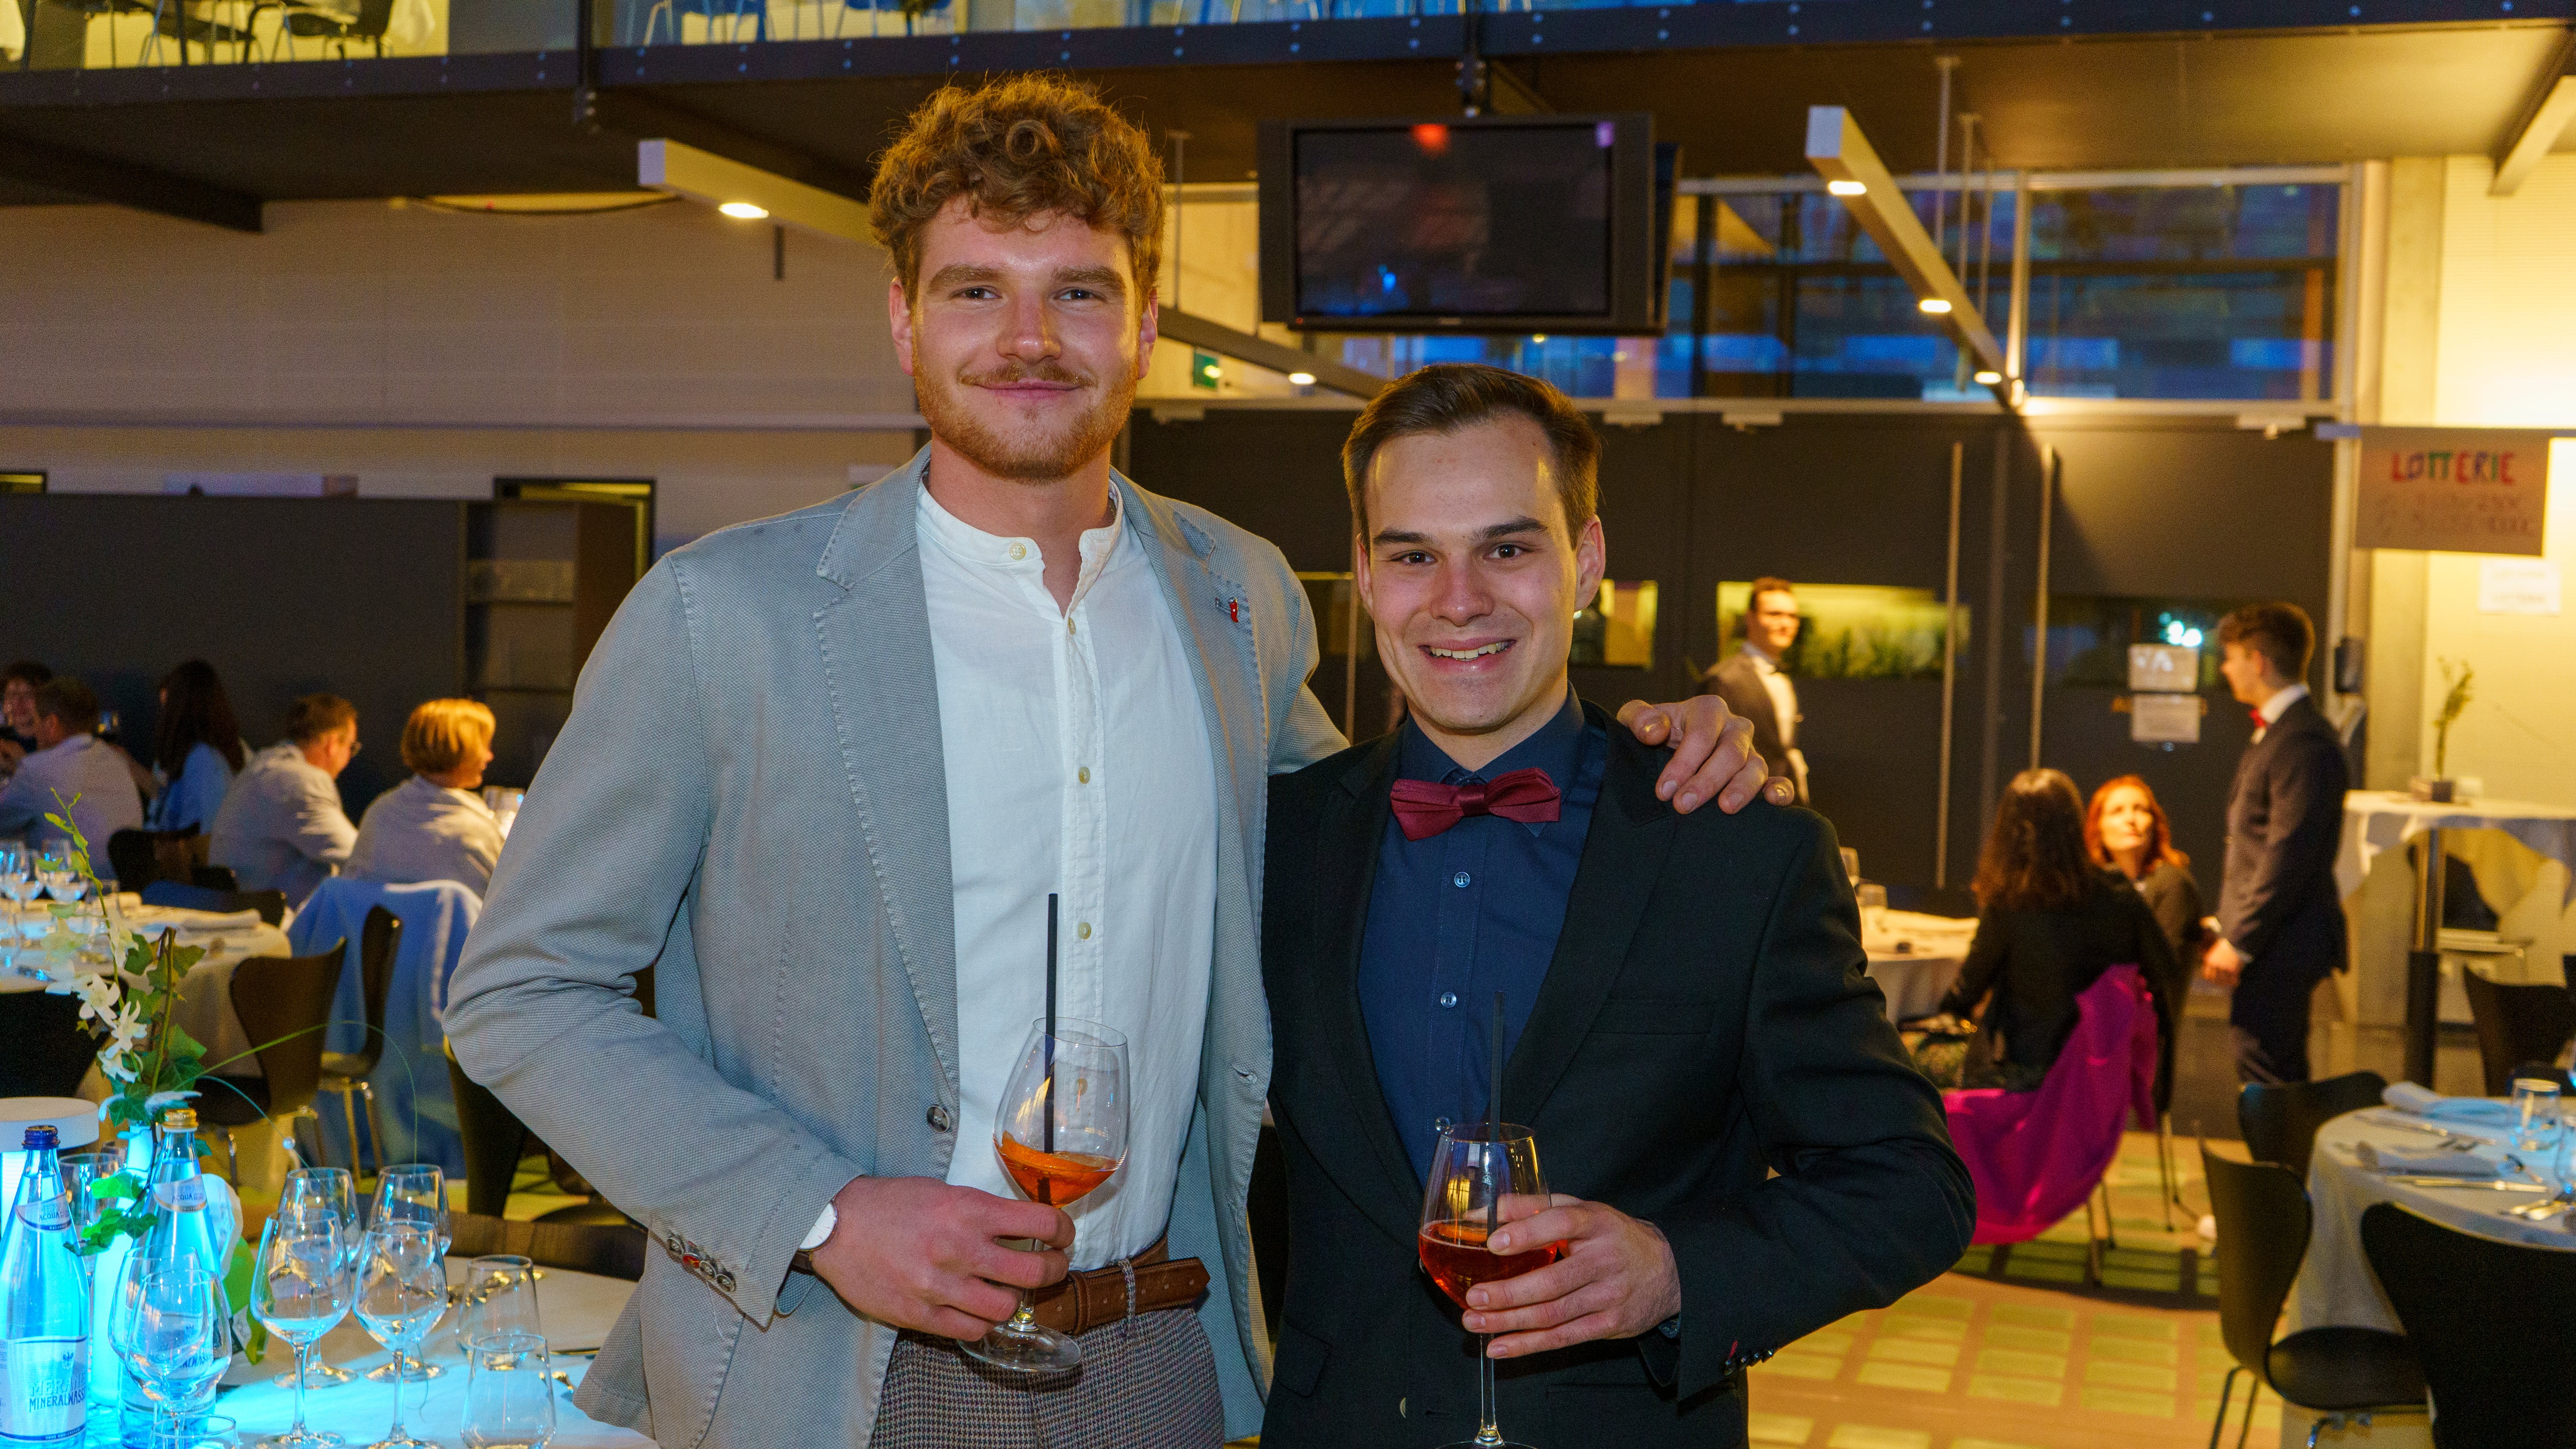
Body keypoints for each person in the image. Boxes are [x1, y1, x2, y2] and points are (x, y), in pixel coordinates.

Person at [441, 76, 1782, 1449]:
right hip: (837, 1368)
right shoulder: (722, 616)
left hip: (1157, 1355)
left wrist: (1638, 748)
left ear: (1144, 326)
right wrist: (823, 1214)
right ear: (903, 319)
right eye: (976, 291)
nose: (1029, 339)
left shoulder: (1238, 596)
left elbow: (1386, 834)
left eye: (1077, 292)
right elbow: (522, 993)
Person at [1258, 365, 1971, 1446]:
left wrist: (1677, 1270)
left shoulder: (1736, 848)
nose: (1459, 598)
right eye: (1412, 555)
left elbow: (1912, 1185)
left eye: (1507, 548)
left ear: (1586, 560)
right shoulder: (1280, 839)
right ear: (1363, 573)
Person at [1923, 770, 2176, 1093]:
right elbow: (2164, 969)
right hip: (2105, 1074)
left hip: (2025, 1076)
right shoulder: (2118, 892)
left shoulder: (2011, 901)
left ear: (2008, 833)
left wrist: (1940, 1016)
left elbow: (1969, 987)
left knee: (1920, 1059)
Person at [2201, 601, 2348, 1084]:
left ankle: (2283, 1141)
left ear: (2258, 661)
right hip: (2273, 935)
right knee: (2262, 1066)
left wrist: (2240, 941)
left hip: (2281, 940)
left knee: (2269, 1075)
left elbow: (2288, 854)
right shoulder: (2283, 733)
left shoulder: (2304, 741)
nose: (2225, 670)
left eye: (2231, 658)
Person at [2085, 774, 2202, 1109]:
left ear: (2155, 823)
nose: (2131, 819)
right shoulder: (2090, 886)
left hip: (2138, 1031)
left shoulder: (2171, 883)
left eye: (2140, 809)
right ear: (2098, 827)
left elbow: (2160, 972)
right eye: (2118, 811)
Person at [208, 693, 360, 906]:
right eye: (352, 748)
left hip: (231, 906)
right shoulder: (302, 781)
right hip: (269, 919)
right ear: (332, 744)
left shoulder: (260, 766)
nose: (349, 759)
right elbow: (361, 857)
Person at [346, 698, 504, 896]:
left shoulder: (380, 812)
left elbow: (350, 892)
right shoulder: (476, 832)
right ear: (461, 748)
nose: (490, 756)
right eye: (485, 745)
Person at [0, 677, 144, 851]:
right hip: (123, 867)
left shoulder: (36, 768)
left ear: (51, 724)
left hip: (67, 868)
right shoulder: (117, 760)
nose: (36, 732)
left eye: (37, 722)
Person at [1701, 576, 1809, 803]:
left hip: (1784, 798)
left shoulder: (1783, 675)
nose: (1786, 623)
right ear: (1750, 618)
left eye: (1792, 616)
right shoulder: (1724, 679)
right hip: (1744, 801)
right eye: (1774, 614)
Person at [144, 660, 247, 837]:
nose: (164, 715)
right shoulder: (190, 755)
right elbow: (158, 805)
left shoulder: (203, 760)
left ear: (182, 708)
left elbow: (200, 837)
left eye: (169, 706)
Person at [0, 661, 51, 775]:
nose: (18, 702)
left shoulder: (57, 743)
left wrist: (20, 765)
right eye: (12, 694)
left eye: (28, 695)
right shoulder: (3, 741)